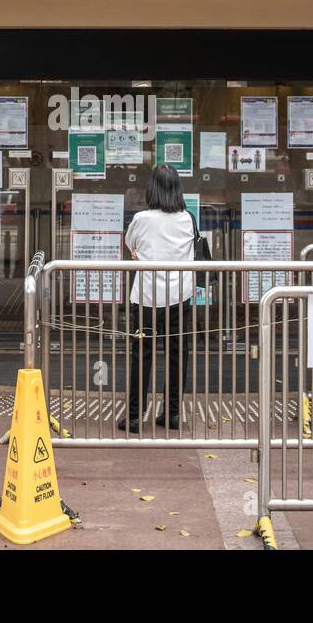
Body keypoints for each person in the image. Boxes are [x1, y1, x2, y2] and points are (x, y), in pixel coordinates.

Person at [117, 164, 195, 432]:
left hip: (147, 296)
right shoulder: (188, 218)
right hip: (180, 295)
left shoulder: (142, 219)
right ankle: (172, 414)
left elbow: (131, 245)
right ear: (177, 189)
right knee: (177, 354)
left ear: (152, 189)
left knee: (142, 355)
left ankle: (135, 416)